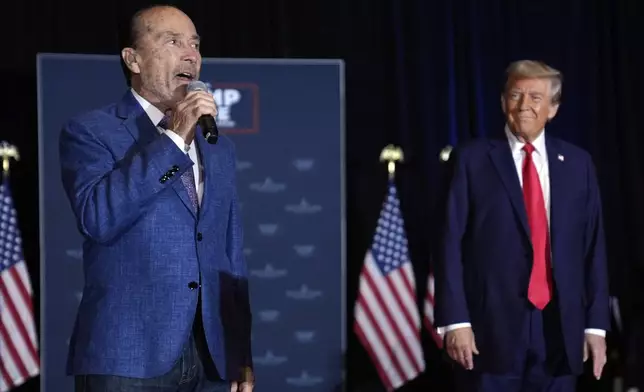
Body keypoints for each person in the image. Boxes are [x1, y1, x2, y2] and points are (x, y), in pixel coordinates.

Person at [58, 5, 253, 391]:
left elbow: (231, 255)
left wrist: (240, 353)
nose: (190, 54)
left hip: (210, 359)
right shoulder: (91, 131)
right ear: (133, 59)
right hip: (126, 357)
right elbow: (99, 216)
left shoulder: (218, 147)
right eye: (173, 42)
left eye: (195, 44)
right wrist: (173, 140)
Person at [434, 60, 610, 392]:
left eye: (535, 97)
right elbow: (448, 243)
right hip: (489, 333)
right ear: (503, 102)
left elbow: (593, 248)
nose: (524, 105)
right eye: (516, 95)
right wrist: (456, 320)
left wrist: (596, 327)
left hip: (560, 329)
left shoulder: (578, 164)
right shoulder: (472, 159)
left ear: (553, 108)